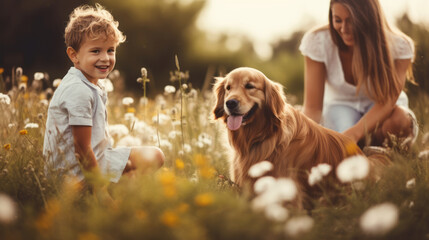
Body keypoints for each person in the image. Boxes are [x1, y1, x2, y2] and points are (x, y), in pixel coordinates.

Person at [43, 4, 164, 183]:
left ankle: (124, 190)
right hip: (73, 174)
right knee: (150, 159)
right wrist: (100, 191)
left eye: (110, 50)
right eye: (95, 51)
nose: (105, 58)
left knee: (150, 157)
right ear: (74, 55)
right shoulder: (78, 90)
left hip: (96, 159)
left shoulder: (89, 83)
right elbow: (81, 149)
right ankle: (102, 193)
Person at [299, 0, 418, 147]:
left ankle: (376, 152)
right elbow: (313, 109)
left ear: (368, 18)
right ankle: (371, 153)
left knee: (400, 120)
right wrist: (301, 141)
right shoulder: (317, 41)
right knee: (344, 140)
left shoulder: (400, 46)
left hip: (382, 110)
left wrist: (355, 133)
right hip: (339, 106)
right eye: (338, 20)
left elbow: (388, 100)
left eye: (351, 21)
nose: (344, 29)